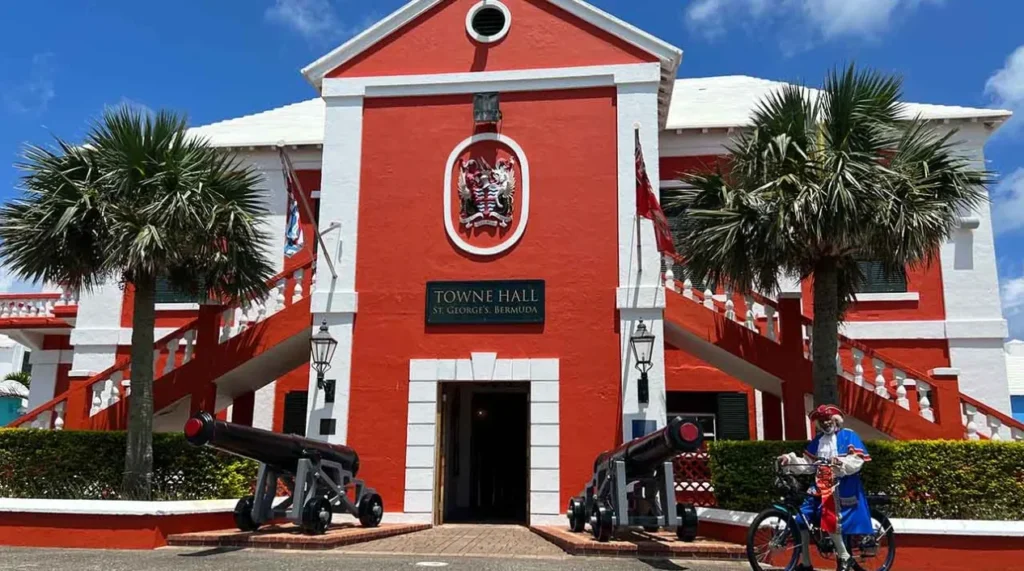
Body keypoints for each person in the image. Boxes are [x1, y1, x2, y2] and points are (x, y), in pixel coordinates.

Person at [778, 404, 872, 571]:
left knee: (829, 516)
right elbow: (808, 464)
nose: (825, 423)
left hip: (843, 486)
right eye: (822, 421)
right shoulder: (817, 441)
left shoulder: (848, 436)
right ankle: (806, 564)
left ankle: (844, 557)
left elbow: (857, 460)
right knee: (801, 521)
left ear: (835, 420)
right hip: (819, 486)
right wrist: (789, 460)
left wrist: (840, 463)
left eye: (828, 419)